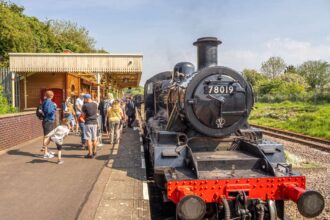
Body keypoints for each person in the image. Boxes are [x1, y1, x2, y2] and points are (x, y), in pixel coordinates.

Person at [82, 94, 98, 158]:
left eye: (84, 98)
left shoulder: (84, 106)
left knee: (88, 139)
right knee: (94, 138)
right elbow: (96, 113)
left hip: (88, 123)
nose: (84, 100)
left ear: (86, 98)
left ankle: (90, 153)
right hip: (95, 122)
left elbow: (83, 115)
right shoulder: (95, 104)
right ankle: (95, 151)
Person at [41, 90, 57, 158]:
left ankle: (46, 150)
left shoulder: (45, 101)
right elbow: (49, 112)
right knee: (47, 136)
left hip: (46, 121)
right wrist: (55, 107)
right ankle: (45, 153)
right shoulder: (49, 102)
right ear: (51, 96)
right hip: (48, 121)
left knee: (48, 136)